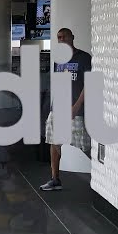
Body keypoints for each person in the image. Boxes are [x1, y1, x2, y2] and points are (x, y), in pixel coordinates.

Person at [41, 27, 93, 192]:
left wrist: (76, 106)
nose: (61, 40)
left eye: (64, 37)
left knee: (85, 146)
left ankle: (106, 174)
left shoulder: (84, 58)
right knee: (54, 142)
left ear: (72, 37)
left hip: (77, 110)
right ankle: (55, 179)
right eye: (58, 38)